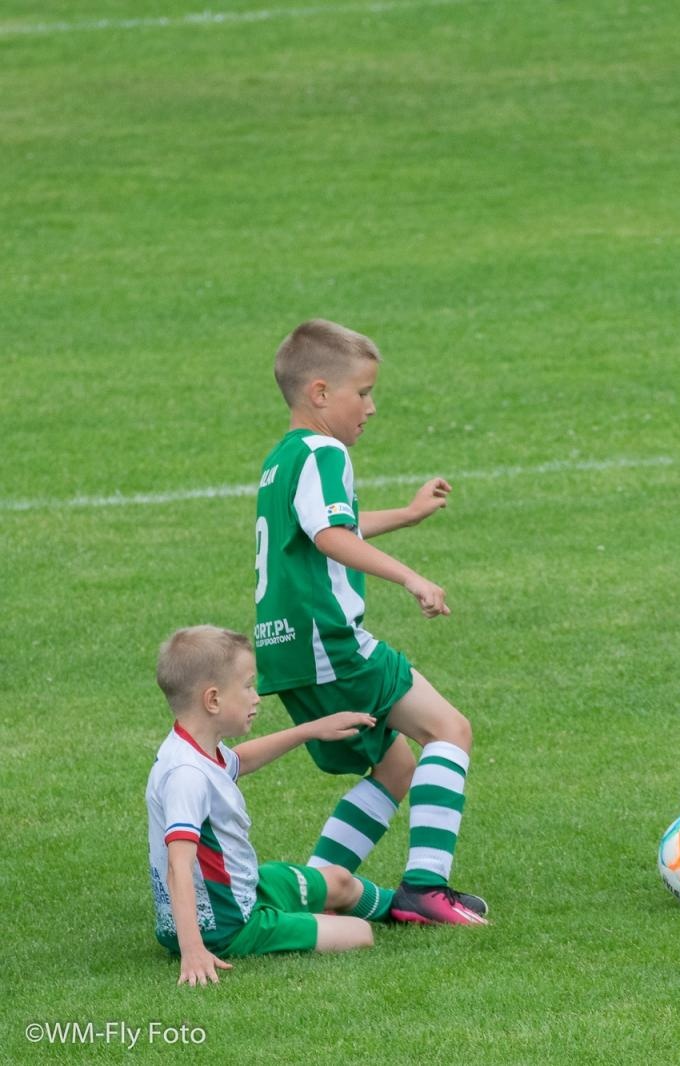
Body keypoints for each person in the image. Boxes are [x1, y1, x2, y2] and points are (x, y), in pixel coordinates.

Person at [253, 319, 487, 925]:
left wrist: (407, 515)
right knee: (449, 731)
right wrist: (411, 576)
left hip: (287, 653)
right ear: (321, 393)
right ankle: (426, 890)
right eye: (363, 392)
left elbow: (324, 525)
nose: (372, 407)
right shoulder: (325, 451)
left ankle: (316, 891)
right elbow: (331, 534)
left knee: (396, 765)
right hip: (329, 643)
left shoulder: (282, 458)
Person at [147, 626, 395, 985]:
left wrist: (311, 729)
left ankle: (408, 907)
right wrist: (193, 950)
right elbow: (178, 867)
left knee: (340, 880)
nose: (257, 697)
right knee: (358, 933)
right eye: (248, 686)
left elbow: (239, 762)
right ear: (212, 700)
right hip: (227, 925)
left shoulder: (194, 748)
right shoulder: (187, 774)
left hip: (241, 891)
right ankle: (287, 920)